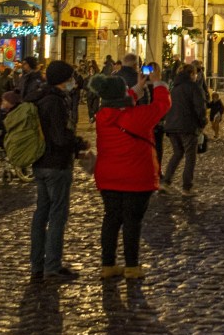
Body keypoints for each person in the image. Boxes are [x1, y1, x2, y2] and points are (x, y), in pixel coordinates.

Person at [93, 65, 170, 279]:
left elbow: (117, 100)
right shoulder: (137, 117)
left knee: (111, 220)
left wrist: (137, 88)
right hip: (136, 178)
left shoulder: (102, 116)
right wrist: (159, 83)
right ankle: (132, 266)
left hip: (108, 178)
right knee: (132, 222)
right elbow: (162, 105)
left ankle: (107, 265)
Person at [29, 61, 91, 282]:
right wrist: (79, 143)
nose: (73, 82)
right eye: (71, 78)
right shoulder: (55, 102)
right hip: (56, 165)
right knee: (57, 215)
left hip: (40, 163)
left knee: (41, 214)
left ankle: (37, 264)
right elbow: (59, 137)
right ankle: (52, 267)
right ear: (63, 80)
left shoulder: (39, 97)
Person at [159, 63, 208, 193]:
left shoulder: (174, 87)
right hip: (188, 126)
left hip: (172, 126)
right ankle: (187, 186)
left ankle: (166, 181)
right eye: (195, 73)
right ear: (191, 74)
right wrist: (202, 122)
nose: (196, 76)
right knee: (190, 156)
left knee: (177, 153)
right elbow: (200, 108)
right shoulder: (194, 88)